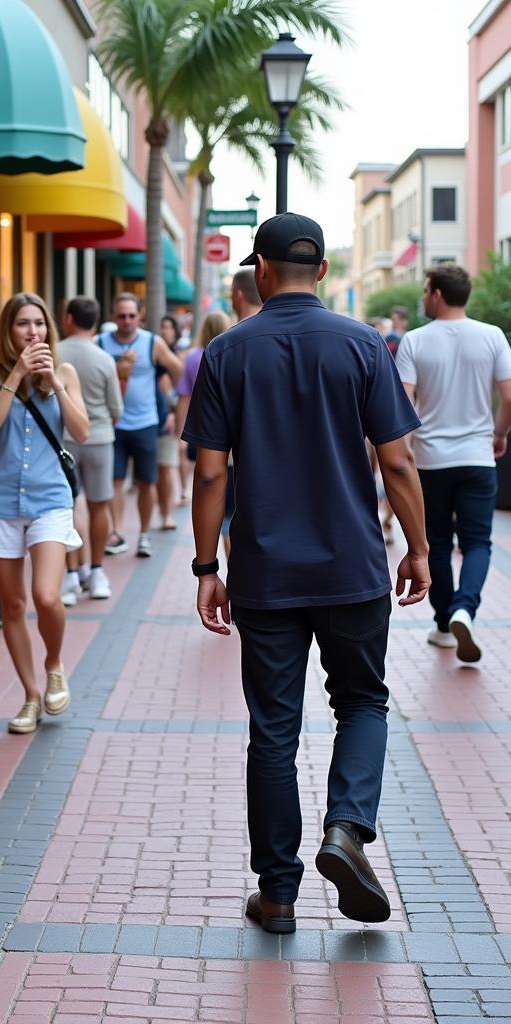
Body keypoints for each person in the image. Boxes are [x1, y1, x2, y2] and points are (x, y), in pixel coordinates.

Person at [183, 212, 429, 935]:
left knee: (274, 732)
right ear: (322, 270)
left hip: (264, 572)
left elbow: (208, 475)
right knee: (362, 704)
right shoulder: (362, 345)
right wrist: (416, 548)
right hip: (353, 565)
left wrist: (205, 566)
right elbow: (397, 461)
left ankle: (279, 894)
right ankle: (347, 829)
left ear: (259, 268)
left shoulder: (228, 352)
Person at [0, 292, 89, 734]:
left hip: (50, 502)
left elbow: (81, 430)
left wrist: (53, 382)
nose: (32, 332)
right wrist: (18, 374)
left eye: (38, 324)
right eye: (23, 324)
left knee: (46, 596)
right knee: (13, 604)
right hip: (0, 504)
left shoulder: (64, 371)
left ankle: (55, 663)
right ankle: (30, 695)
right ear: (9, 330)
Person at [395, 264, 511, 662]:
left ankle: (445, 624)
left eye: (426, 290)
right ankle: (466, 608)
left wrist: (402, 454)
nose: (424, 296)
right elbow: (509, 398)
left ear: (438, 294)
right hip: (479, 456)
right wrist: (498, 434)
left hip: (430, 461)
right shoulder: (492, 336)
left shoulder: (414, 341)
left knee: (437, 543)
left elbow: (403, 403)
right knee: (478, 542)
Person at [99, 293, 183, 557]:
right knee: (115, 480)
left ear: (140, 316)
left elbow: (178, 369)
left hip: (146, 423)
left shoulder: (151, 342)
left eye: (131, 316)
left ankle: (144, 534)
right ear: (113, 316)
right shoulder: (100, 343)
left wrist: (174, 402)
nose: (126, 321)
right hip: (113, 423)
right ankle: (118, 532)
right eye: (121, 316)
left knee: (147, 482)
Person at [57, 296, 122, 605]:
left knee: (67, 506)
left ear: (68, 318)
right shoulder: (104, 358)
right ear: (95, 321)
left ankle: (71, 574)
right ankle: (96, 571)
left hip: (64, 440)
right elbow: (116, 409)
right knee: (99, 507)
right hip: (98, 438)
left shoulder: (55, 353)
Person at [175, 311, 233, 554]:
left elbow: (184, 398)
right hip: (233, 443)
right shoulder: (234, 353)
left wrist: (180, 432)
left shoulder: (193, 358)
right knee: (233, 512)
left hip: (203, 435)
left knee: (214, 497)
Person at [156, 314, 183, 529]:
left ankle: (166, 514)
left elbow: (182, 390)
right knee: (156, 472)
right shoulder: (151, 353)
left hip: (168, 419)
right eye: (162, 326)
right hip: (148, 419)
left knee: (165, 468)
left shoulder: (177, 357)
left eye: (169, 327)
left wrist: (175, 414)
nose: (165, 330)